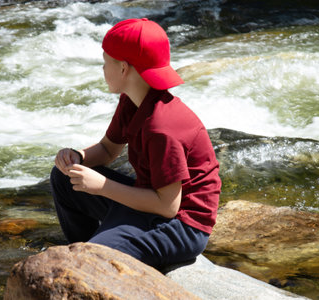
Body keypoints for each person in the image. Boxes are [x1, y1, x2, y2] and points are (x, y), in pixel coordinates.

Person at [50, 18, 221, 270]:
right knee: (64, 178)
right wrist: (77, 156)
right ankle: (83, 249)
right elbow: (108, 150)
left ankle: (87, 260)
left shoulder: (162, 127)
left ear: (123, 68)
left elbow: (168, 206)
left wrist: (102, 186)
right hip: (149, 201)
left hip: (182, 227)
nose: (103, 69)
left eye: (105, 62)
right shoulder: (132, 101)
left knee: (92, 257)